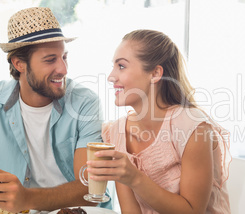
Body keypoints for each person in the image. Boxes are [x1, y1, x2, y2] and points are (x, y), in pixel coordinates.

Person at [87, 29, 231, 213]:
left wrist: (134, 177)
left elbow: (194, 211)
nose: (110, 76)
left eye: (121, 66)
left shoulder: (193, 128)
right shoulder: (115, 133)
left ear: (155, 73)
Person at [0, 7, 111, 212]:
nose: (63, 69)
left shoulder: (85, 103)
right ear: (19, 64)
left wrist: (27, 198)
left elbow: (89, 188)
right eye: (50, 60)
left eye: (64, 57)